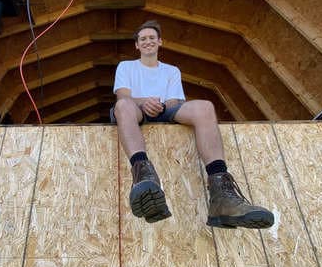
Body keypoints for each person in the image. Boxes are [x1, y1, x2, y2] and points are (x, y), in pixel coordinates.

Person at [111, 20, 274, 228]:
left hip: (163, 109)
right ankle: (143, 175)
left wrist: (159, 106)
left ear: (160, 42)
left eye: (152, 38)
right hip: (136, 109)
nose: (147, 41)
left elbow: (174, 102)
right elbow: (123, 95)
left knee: (205, 107)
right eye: (143, 39)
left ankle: (222, 194)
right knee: (123, 106)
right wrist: (145, 102)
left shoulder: (171, 71)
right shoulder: (126, 67)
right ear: (137, 45)